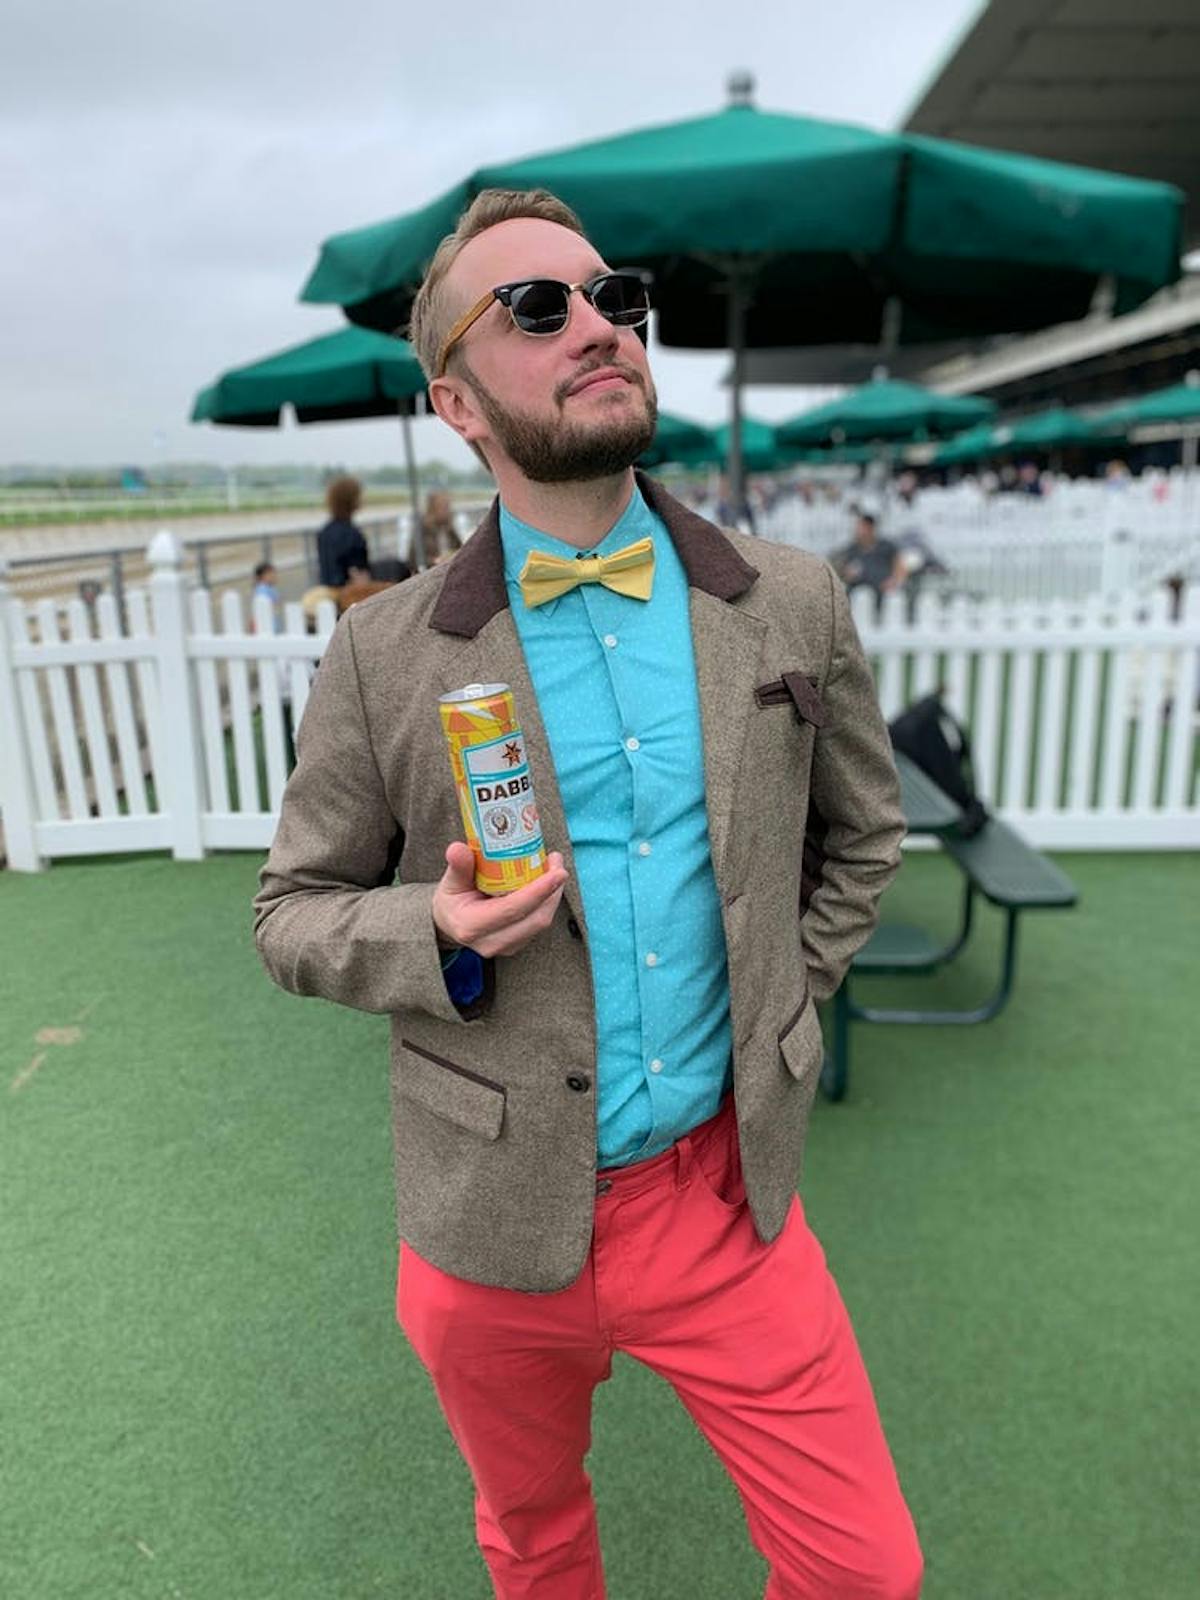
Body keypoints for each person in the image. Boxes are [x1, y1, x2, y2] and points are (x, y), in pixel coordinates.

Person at [254, 188, 922, 1600]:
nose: (599, 328)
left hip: (726, 1201)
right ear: (457, 402)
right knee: (537, 1544)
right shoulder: (384, 652)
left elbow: (867, 837)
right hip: (486, 1212)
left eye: (613, 298)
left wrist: (788, 1001)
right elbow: (291, 911)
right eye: (537, 308)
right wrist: (426, 927)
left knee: (866, 1570)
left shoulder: (790, 600)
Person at [832, 511, 906, 602]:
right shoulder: (852, 550)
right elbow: (842, 572)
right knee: (862, 596)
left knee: (894, 599)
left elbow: (900, 565)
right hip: (859, 592)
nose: (857, 530)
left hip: (883, 590)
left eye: (861, 527)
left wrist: (894, 580)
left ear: (870, 528)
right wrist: (847, 574)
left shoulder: (886, 546)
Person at [316, 474, 371, 587]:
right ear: (350, 500)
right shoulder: (352, 534)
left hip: (328, 591)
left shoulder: (325, 531)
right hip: (349, 593)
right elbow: (360, 573)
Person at [412, 488, 463, 568]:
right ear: (433, 508)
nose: (447, 510)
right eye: (443, 507)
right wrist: (435, 561)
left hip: (450, 569)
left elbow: (461, 549)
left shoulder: (449, 528)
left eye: (447, 506)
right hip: (430, 572)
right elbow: (414, 559)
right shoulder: (423, 529)